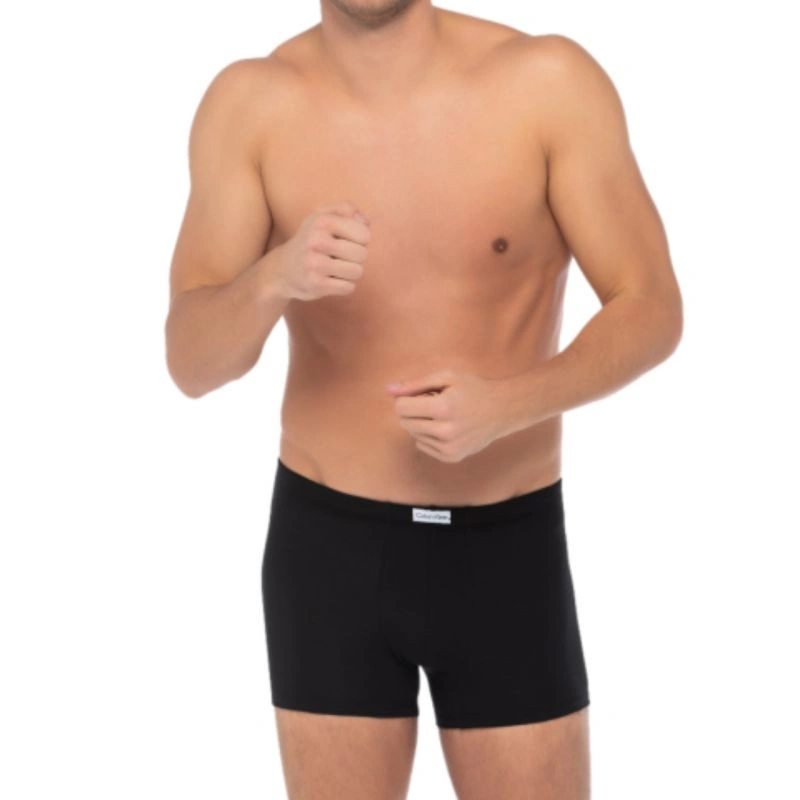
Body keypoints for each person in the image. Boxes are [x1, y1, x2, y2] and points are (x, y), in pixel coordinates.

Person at [164, 1, 683, 797]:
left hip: (504, 548)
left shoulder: (548, 84)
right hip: (328, 550)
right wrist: (273, 278)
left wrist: (510, 404)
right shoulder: (251, 104)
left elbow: (651, 306)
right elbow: (191, 362)